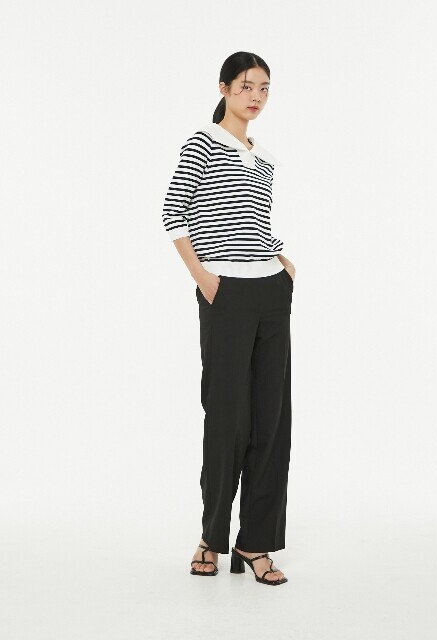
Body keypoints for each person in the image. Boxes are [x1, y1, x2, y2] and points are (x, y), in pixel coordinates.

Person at [162, 51, 295, 587]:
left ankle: (255, 542)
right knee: (226, 420)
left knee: (271, 423)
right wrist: (203, 278)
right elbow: (174, 212)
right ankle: (211, 537)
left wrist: (282, 259)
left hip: (270, 290)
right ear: (223, 88)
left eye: (264, 87)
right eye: (245, 86)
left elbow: (254, 219)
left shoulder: (263, 157)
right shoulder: (203, 142)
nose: (255, 96)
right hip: (226, 292)